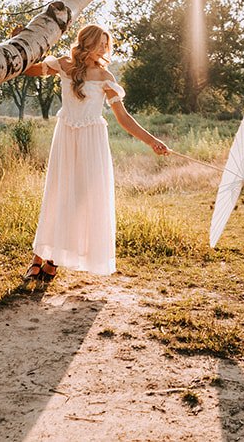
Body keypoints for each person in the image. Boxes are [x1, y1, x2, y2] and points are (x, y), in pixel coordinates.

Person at [21, 24, 169, 281]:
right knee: (57, 194)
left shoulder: (104, 77)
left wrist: (151, 140)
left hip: (92, 141)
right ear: (86, 42)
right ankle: (37, 259)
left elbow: (123, 118)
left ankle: (53, 262)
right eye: (100, 43)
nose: (103, 48)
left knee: (80, 200)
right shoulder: (63, 65)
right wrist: (21, 43)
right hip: (66, 136)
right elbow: (29, 69)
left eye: (105, 44)